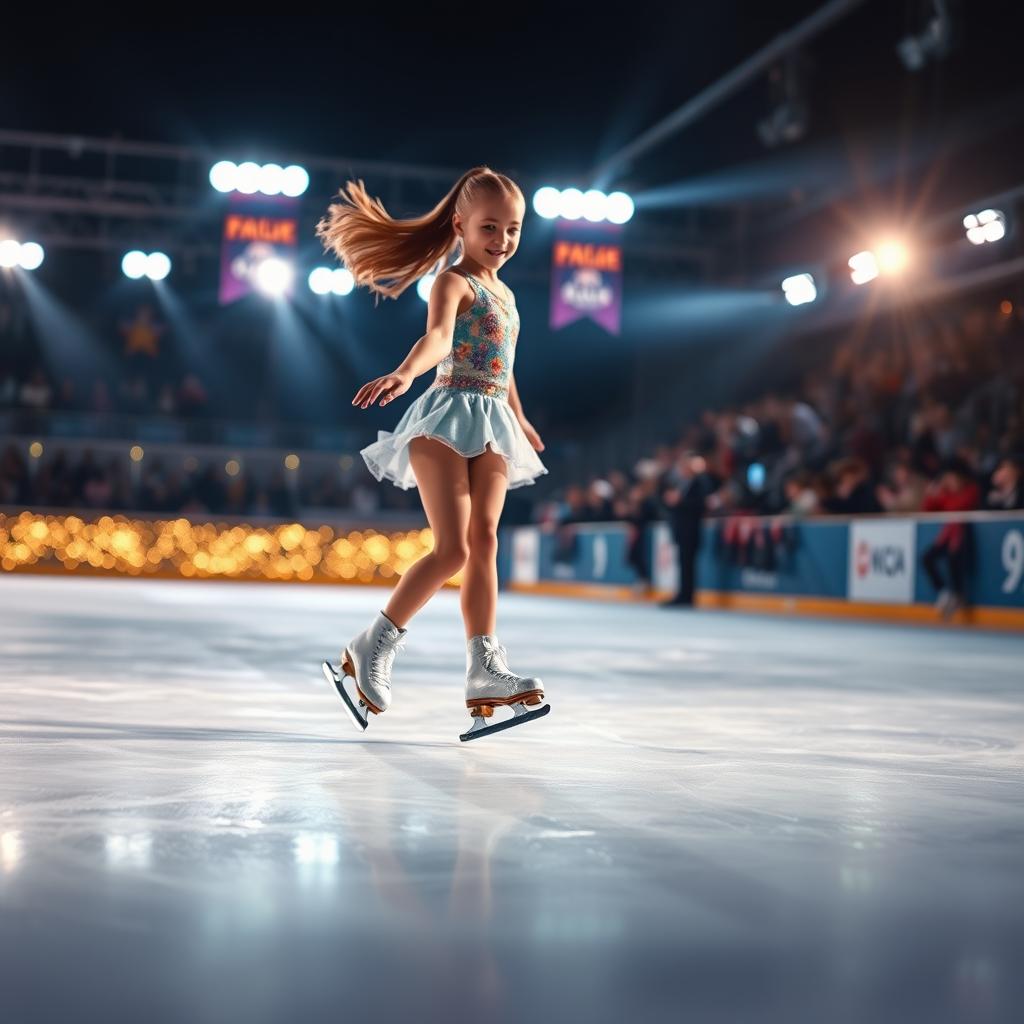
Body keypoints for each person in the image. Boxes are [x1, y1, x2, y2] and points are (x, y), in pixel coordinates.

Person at [314, 166, 550, 741]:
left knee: (485, 541)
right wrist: (403, 373)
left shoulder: (508, 293)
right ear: (461, 226)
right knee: (451, 549)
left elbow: (506, 361)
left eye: (513, 229)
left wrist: (518, 416)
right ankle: (373, 644)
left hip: (494, 422)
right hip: (444, 418)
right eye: (489, 227)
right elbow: (440, 339)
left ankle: (484, 668)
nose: (502, 240)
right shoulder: (453, 281)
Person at [920, 457, 981, 619]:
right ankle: (945, 591)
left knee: (954, 559)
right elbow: (929, 509)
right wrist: (931, 495)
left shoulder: (971, 490)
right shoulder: (946, 493)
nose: (949, 480)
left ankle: (958, 594)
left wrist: (946, 493)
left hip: (963, 534)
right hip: (947, 535)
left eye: (952, 477)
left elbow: (961, 506)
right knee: (926, 558)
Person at [658, 451, 718, 607]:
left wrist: (680, 501)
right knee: (683, 564)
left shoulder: (699, 483)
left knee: (688, 564)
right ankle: (683, 593)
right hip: (681, 530)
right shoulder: (681, 485)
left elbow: (699, 505)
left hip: (691, 531)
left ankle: (687, 595)